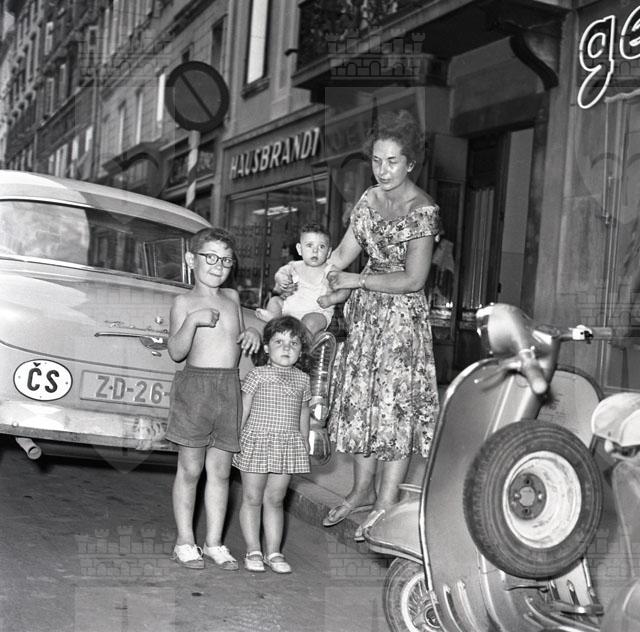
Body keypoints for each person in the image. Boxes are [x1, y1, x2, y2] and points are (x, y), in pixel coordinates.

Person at [320, 109, 440, 540]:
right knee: (362, 405)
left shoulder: (422, 210)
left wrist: (356, 281)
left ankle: (386, 503)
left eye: (392, 161)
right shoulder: (368, 200)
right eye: (376, 160)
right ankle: (360, 492)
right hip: (366, 319)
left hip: (401, 323)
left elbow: (414, 279)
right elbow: (341, 256)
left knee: (393, 410)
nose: (383, 170)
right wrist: (310, 277)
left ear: (410, 163)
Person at [165, 227, 261, 570]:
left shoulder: (232, 297)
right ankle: (184, 541)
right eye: (211, 258)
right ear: (191, 260)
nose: (218, 266)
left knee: (220, 472)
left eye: (226, 260)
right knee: (190, 469)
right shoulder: (183, 303)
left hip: (228, 389)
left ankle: (214, 543)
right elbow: (176, 352)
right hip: (195, 389)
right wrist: (192, 322)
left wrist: (251, 333)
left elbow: (240, 336)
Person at [233, 316, 311, 573]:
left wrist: (303, 440)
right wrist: (235, 436)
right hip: (257, 441)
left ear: (301, 350)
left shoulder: (303, 380)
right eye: (279, 342)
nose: (286, 348)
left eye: (294, 343)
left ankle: (274, 551)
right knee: (252, 497)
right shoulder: (257, 375)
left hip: (287, 445)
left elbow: (303, 412)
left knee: (276, 499)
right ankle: (253, 549)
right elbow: (244, 408)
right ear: (266, 347)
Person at [256, 223, 349, 337]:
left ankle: (288, 330)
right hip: (288, 311)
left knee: (311, 321)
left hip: (316, 313)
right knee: (274, 301)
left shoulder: (330, 271)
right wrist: (281, 279)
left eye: (321, 247)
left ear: (329, 252)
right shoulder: (294, 266)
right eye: (309, 245)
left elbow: (346, 289)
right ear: (299, 249)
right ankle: (276, 322)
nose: (315, 251)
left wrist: (331, 299)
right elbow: (280, 273)